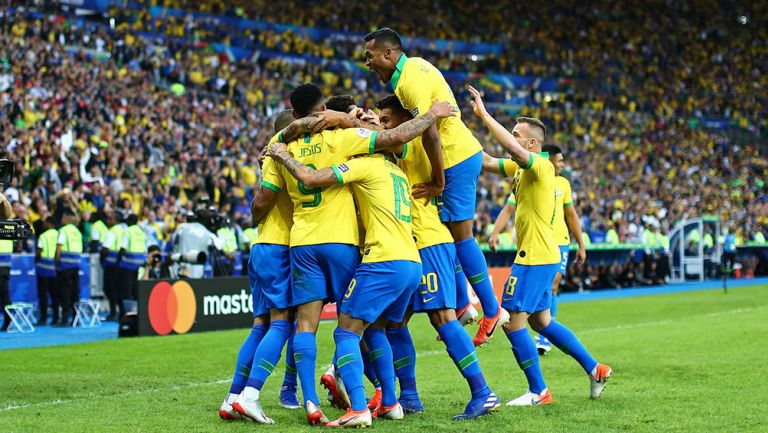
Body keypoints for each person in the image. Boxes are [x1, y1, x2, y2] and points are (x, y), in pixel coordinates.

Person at [237, 83, 455, 425]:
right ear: (323, 109)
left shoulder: (279, 145)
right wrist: (423, 116)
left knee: (303, 326)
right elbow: (393, 138)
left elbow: (276, 190)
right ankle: (387, 399)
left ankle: (307, 402)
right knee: (366, 328)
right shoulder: (345, 142)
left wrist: (282, 147)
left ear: (295, 114)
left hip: (302, 242)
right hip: (344, 242)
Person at [468, 85, 612, 406]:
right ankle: (595, 368)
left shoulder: (541, 165)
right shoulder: (522, 167)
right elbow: (487, 160)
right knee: (541, 322)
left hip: (534, 257)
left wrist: (484, 115)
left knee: (514, 322)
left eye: (517, 135)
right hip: (542, 255)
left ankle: (539, 391)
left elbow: (510, 150)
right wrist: (452, 133)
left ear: (532, 143)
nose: (512, 138)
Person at [264, 141, 422, 428]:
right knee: (375, 329)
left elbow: (311, 178)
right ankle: (390, 401)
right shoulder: (397, 171)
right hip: (411, 262)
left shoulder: (365, 164)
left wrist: (283, 154)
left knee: (345, 332)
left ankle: (358, 408)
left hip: (380, 260)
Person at [364, 28, 505, 346]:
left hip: (454, 158)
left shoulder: (408, 81)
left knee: (461, 237)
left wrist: (438, 181)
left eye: (369, 56)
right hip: (460, 153)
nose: (367, 63)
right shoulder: (414, 68)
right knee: (446, 233)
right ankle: (463, 304)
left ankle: (491, 309)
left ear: (388, 54)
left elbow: (430, 133)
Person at [377, 95, 500, 420]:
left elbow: (393, 138)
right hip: (410, 245)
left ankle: (482, 392)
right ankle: (411, 397)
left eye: (387, 119)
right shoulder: (408, 143)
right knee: (395, 322)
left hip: (429, 241)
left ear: (405, 119)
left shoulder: (408, 142)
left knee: (443, 317)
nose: (384, 126)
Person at [219, 110, 298, 422]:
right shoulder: (286, 156)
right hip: (281, 247)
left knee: (260, 325)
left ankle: (232, 397)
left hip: (261, 246)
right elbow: (262, 202)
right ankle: (251, 395)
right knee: (282, 324)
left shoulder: (271, 158)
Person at [55, 209, 82, 326]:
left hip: (65, 266)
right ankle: (76, 318)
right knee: (75, 292)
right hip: (76, 265)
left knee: (64, 292)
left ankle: (65, 318)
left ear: (66, 218)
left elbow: (59, 248)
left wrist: (56, 262)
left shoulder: (63, 231)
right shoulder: (77, 232)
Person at [101, 210, 126, 320]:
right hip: (121, 264)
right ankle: (122, 312)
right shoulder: (123, 230)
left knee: (109, 289)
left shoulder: (111, 232)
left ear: (115, 220)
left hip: (110, 265)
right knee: (119, 289)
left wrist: (102, 260)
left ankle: (112, 312)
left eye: (110, 219)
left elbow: (105, 248)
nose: (108, 221)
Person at [35, 216, 59, 325]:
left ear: (49, 223)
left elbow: (39, 252)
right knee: (54, 294)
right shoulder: (59, 234)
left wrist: (36, 261)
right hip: (55, 269)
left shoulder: (43, 236)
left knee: (43, 295)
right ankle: (56, 318)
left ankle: (43, 318)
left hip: (43, 269)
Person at [118, 214, 147, 304]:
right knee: (137, 289)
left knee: (127, 290)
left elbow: (123, 247)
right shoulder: (141, 232)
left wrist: (118, 260)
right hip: (140, 265)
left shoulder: (128, 231)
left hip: (129, 265)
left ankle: (130, 312)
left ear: (130, 221)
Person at [0, 193, 12, 331]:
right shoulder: (9, 226)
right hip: (5, 266)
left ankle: (8, 321)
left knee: (4, 296)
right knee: (4, 295)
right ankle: (8, 320)